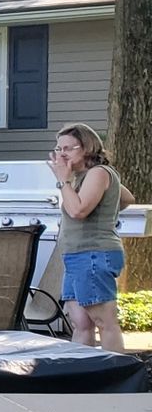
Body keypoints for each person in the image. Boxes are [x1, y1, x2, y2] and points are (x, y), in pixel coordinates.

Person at [50, 123, 136, 352]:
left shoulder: (98, 173)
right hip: (75, 256)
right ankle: (83, 375)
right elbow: (125, 197)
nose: (61, 154)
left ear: (87, 147)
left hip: (94, 254)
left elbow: (78, 211)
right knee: (81, 324)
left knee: (104, 322)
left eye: (68, 148)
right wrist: (106, 206)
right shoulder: (82, 177)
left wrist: (63, 182)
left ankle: (116, 377)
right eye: (58, 149)